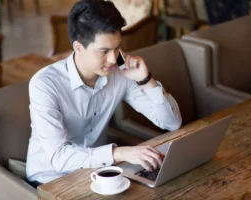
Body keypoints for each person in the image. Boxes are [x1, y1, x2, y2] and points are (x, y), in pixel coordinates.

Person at [26, 0, 182, 187]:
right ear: (78, 48)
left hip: (98, 173)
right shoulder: (45, 84)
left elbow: (172, 123)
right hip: (49, 179)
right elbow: (59, 158)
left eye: (117, 48)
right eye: (104, 51)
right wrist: (120, 153)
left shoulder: (120, 74)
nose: (112, 58)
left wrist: (146, 80)